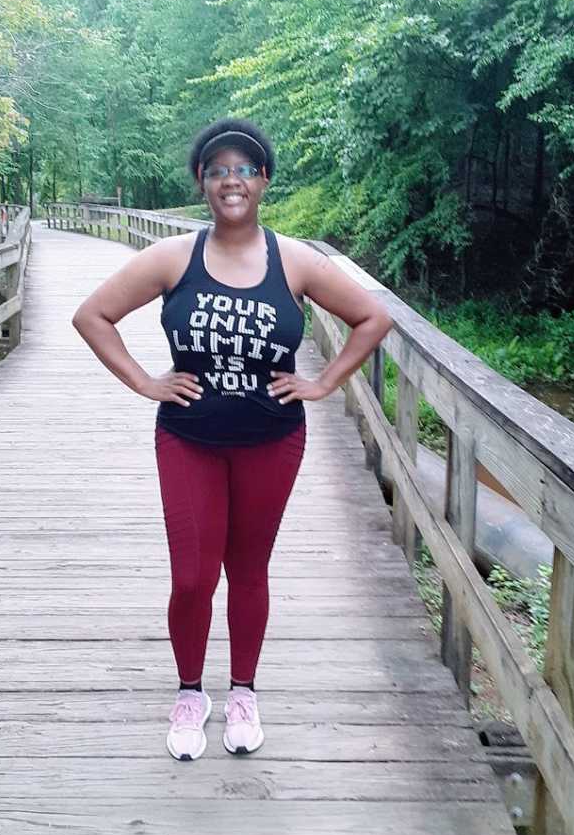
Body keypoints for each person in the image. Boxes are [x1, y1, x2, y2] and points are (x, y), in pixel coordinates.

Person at [71, 119, 392, 760]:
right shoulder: (174, 257)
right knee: (192, 578)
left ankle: (243, 689)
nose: (231, 180)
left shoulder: (295, 260)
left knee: (247, 571)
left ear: (264, 180)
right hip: (188, 438)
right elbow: (92, 316)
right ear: (202, 182)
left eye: (244, 168)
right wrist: (145, 382)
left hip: (271, 442)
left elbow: (372, 316)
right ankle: (192, 693)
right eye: (217, 169)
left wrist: (324, 383)